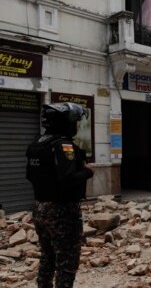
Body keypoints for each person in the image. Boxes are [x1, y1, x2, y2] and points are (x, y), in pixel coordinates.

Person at [26, 103, 94, 288]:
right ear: (66, 123)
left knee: (48, 256)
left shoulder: (38, 143)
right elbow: (68, 178)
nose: (75, 126)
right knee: (66, 263)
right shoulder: (63, 145)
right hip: (62, 211)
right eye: (74, 122)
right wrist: (88, 172)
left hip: (40, 208)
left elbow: (29, 175)